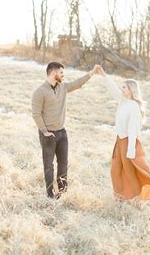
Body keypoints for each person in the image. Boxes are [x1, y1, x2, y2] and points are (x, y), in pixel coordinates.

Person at [31, 61, 99, 199]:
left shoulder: (62, 87)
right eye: (61, 72)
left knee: (63, 163)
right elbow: (36, 114)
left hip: (62, 133)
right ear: (54, 73)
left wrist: (92, 72)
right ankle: (50, 195)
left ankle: (62, 193)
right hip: (48, 134)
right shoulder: (40, 92)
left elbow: (78, 83)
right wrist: (44, 131)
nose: (63, 75)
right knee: (48, 166)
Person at [95, 65, 150, 202]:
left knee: (130, 172)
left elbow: (133, 131)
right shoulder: (123, 101)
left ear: (131, 90)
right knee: (115, 170)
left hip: (129, 143)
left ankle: (137, 200)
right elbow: (113, 89)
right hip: (120, 141)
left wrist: (130, 151)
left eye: (124, 87)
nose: (121, 89)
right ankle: (119, 198)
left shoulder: (134, 107)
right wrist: (103, 75)